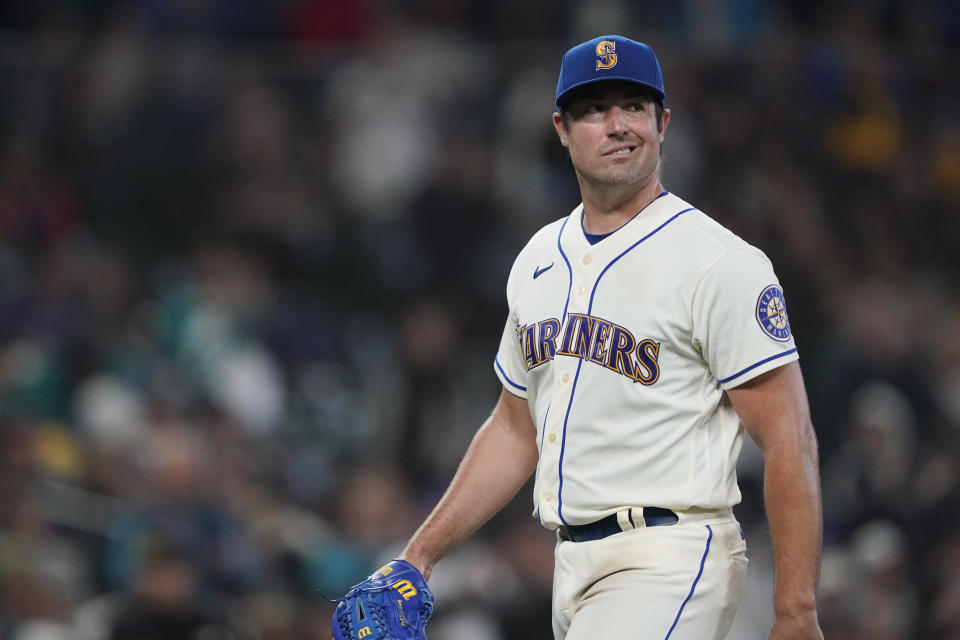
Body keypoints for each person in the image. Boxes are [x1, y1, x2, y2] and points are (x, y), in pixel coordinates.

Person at [398, 35, 824, 639]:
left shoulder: (719, 261)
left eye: (634, 105)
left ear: (663, 122)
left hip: (670, 557)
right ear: (562, 129)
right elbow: (515, 429)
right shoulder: (539, 257)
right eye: (595, 109)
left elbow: (789, 437)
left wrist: (796, 609)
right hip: (569, 565)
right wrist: (419, 554)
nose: (617, 124)